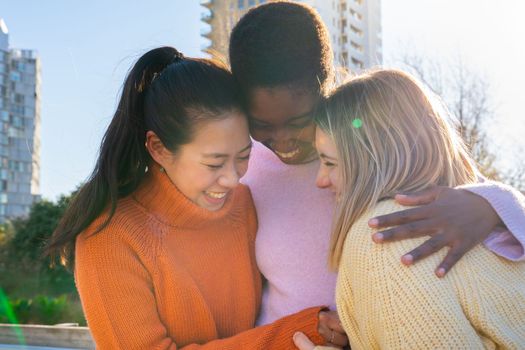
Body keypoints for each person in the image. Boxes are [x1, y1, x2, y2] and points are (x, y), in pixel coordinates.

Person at [229, 1, 525, 327]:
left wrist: (487, 205)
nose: (281, 139)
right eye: (263, 125)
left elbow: (507, 218)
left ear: (324, 90)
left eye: (298, 120)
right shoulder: (242, 166)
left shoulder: (367, 145)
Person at [45, 47, 346, 349]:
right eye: (213, 164)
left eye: (243, 156)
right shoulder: (109, 236)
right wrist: (297, 333)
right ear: (158, 148)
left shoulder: (242, 204)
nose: (233, 178)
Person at [299, 69, 525, 349]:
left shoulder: (384, 238)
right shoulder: (492, 223)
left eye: (330, 162)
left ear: (371, 161)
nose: (320, 180)